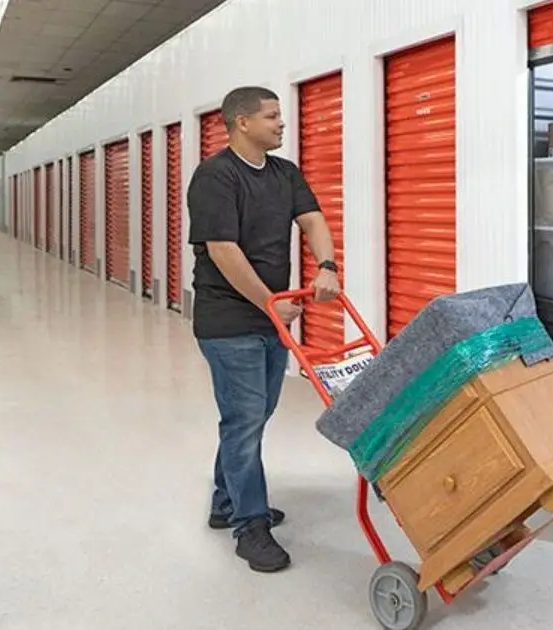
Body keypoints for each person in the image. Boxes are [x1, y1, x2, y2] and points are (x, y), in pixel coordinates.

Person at [186, 86, 341, 573]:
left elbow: (312, 220)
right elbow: (223, 251)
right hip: (229, 319)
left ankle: (224, 499)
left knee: (253, 413)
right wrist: (268, 304)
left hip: (270, 315)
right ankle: (250, 525)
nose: (281, 123)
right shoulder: (215, 177)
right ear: (241, 122)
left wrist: (328, 266)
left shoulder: (284, 173)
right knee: (246, 417)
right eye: (272, 116)